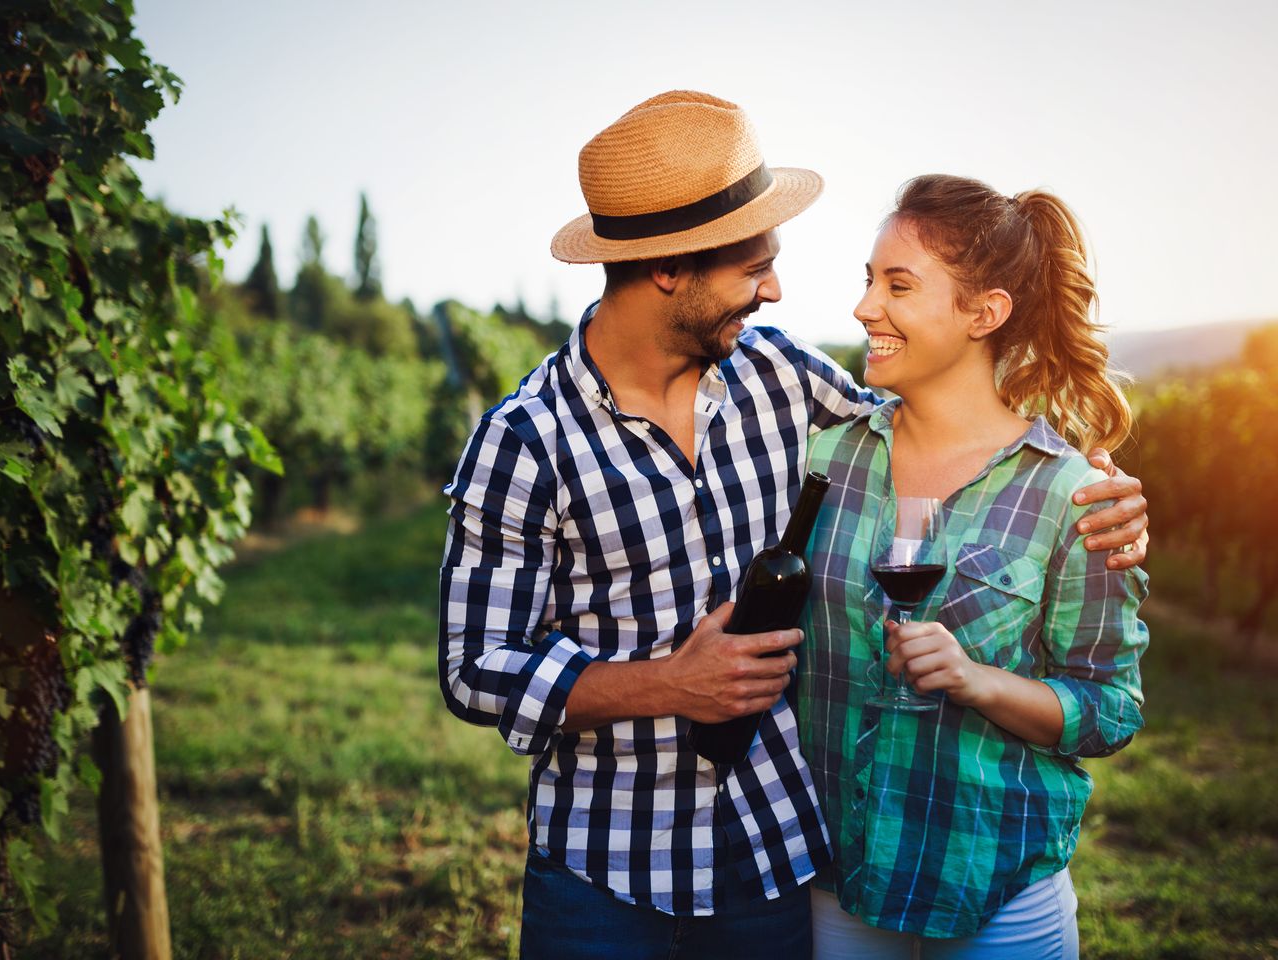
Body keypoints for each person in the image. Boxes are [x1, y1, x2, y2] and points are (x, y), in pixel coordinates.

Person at [437, 93, 1148, 960]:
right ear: (670, 268)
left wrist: (1096, 486)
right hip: (604, 876)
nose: (775, 290)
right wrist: (669, 685)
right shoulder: (525, 441)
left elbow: (944, 417)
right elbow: (476, 670)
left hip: (773, 861)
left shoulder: (778, 380)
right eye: (752, 268)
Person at [798, 174, 1150, 959]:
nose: (865, 308)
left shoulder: (1071, 493)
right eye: (867, 281)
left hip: (994, 888)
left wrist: (975, 681)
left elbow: (1111, 708)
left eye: (898, 285)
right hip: (837, 874)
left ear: (984, 314)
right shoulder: (824, 459)